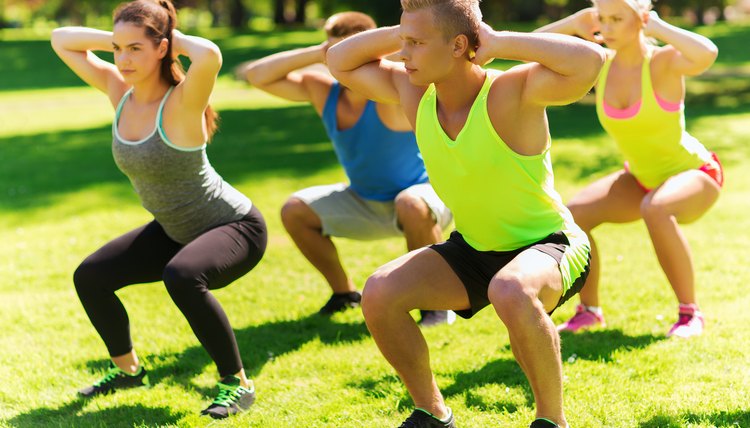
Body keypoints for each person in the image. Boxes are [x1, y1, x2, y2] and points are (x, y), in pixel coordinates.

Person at [327, 0, 605, 426]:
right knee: (379, 293)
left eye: (416, 44)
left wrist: (498, 41)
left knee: (510, 290)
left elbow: (590, 61)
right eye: (405, 43)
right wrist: (408, 31)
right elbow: (339, 60)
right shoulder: (412, 91)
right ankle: (432, 413)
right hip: (475, 248)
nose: (403, 55)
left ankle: (552, 421)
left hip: (551, 243)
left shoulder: (510, 91)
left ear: (459, 46)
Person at [51, 0, 267, 419]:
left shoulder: (183, 102)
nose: (123, 59)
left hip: (234, 226)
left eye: (136, 49)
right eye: (118, 49)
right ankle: (128, 371)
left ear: (163, 49)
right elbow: (61, 40)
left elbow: (210, 55)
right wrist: (127, 37)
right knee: (91, 276)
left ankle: (236, 384)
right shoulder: (120, 92)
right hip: (174, 229)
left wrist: (168, 37)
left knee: (183, 276)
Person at [239, 12, 454, 326]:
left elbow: (413, 63)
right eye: (336, 53)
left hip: (422, 198)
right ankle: (344, 294)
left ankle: (436, 306)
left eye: (352, 52)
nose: (343, 61)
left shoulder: (392, 90)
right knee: (295, 209)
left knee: (410, 204)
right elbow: (257, 75)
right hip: (364, 200)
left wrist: (376, 47)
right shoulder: (323, 89)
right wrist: (319, 51)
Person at [535, 0, 721, 338]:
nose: (607, 28)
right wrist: (574, 21)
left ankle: (690, 314)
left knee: (657, 208)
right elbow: (532, 51)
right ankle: (589, 311)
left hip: (696, 173)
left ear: (640, 20)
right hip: (640, 178)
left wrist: (660, 28)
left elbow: (707, 53)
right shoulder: (598, 63)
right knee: (575, 215)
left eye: (617, 19)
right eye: (602, 19)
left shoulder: (662, 62)